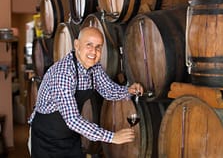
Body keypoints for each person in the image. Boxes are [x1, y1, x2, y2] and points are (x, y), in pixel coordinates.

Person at [28, 27, 144, 158]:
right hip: (46, 139)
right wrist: (112, 137)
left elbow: (108, 90)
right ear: (76, 45)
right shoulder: (63, 73)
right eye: (89, 45)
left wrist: (128, 90)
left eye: (98, 47)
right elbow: (72, 120)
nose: (94, 52)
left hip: (69, 137)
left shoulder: (94, 67)